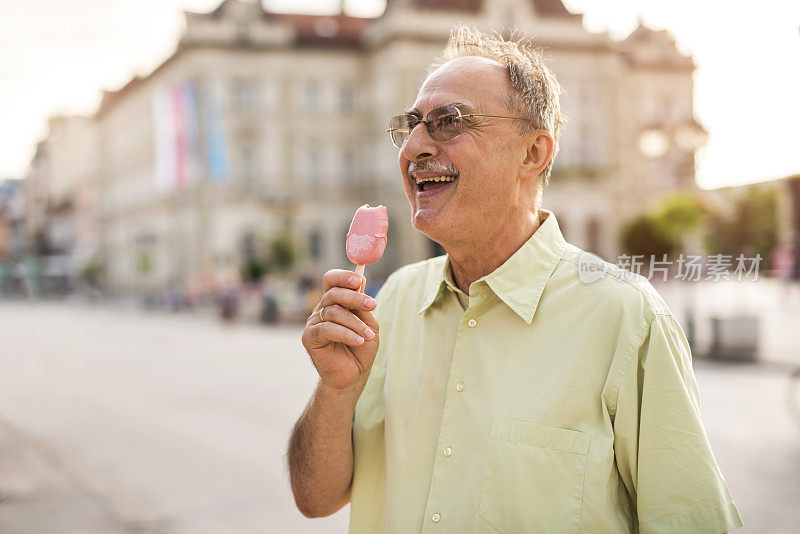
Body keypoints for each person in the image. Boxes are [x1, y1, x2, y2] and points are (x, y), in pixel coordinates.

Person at [288, 26, 742, 533]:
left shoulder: (625, 317)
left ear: (533, 154)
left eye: (448, 122)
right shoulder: (391, 300)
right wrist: (334, 389)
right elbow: (315, 499)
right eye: (410, 125)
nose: (413, 146)